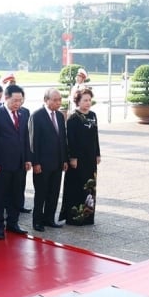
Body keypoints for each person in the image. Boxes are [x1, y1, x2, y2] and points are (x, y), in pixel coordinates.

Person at [0, 84, 31, 240]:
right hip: (2, 164)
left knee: (16, 194)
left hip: (19, 163)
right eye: (15, 100)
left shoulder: (24, 114)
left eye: (20, 100)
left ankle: (13, 222)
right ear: (6, 98)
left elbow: (25, 138)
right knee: (0, 196)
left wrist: (27, 159)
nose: (18, 103)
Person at [28, 88, 69, 232]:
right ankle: (37, 221)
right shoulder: (37, 116)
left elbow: (62, 139)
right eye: (55, 100)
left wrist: (64, 159)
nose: (58, 103)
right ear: (46, 100)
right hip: (42, 163)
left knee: (54, 192)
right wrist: (36, 162)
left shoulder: (59, 115)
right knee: (41, 193)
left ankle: (49, 218)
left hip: (57, 162)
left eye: (60, 100)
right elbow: (33, 142)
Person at [59, 88, 101, 225]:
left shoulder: (93, 115)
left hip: (90, 158)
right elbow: (70, 139)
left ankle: (88, 217)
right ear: (78, 101)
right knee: (77, 186)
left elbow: (96, 137)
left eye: (89, 100)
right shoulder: (73, 117)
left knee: (90, 186)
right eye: (85, 100)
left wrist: (98, 154)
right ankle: (75, 217)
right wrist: (73, 157)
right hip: (78, 159)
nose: (88, 103)